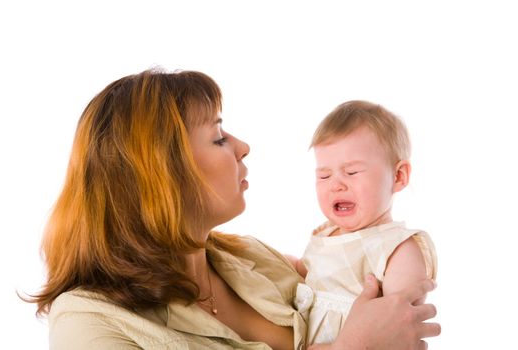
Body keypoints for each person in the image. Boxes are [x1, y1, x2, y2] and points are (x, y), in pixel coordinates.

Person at [27, 70, 440, 349]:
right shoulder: (88, 321)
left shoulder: (253, 259)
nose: (243, 146)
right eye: (219, 137)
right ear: (162, 172)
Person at [288, 101, 438, 347]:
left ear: (398, 177)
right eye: (324, 175)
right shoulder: (326, 234)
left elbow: (397, 323)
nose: (336, 184)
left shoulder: (398, 249)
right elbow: (309, 271)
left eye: (352, 172)